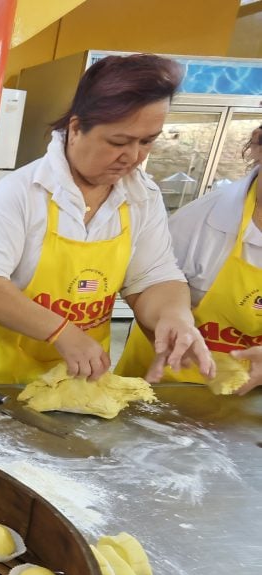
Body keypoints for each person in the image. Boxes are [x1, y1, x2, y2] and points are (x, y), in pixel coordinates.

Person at [0, 53, 214, 385]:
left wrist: (175, 316)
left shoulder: (141, 197)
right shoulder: (22, 192)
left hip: (83, 380)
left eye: (147, 142)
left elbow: (152, 277)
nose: (133, 157)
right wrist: (61, 331)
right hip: (0, 380)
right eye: (118, 142)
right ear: (76, 129)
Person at [116, 125, 261, 394]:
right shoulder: (199, 223)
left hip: (248, 401)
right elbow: (144, 285)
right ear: (257, 145)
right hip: (166, 387)